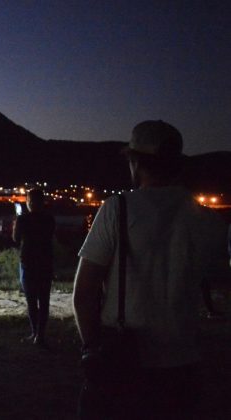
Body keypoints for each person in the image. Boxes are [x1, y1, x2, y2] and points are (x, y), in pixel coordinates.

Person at [73, 120, 227, 419]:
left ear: (136, 162)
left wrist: (92, 347)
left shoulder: (116, 209)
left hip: (122, 361)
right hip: (184, 365)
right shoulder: (210, 222)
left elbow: (84, 292)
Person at [12, 188, 56, 347]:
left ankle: (34, 332)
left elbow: (16, 239)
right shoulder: (49, 219)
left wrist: (15, 224)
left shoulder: (23, 219)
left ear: (29, 202)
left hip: (28, 262)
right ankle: (40, 335)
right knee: (44, 300)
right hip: (45, 262)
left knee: (31, 301)